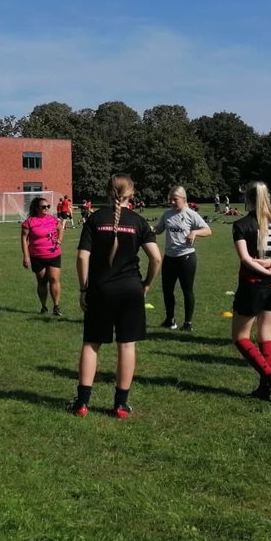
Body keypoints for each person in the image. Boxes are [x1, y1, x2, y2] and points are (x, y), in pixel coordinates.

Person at [70, 173, 161, 418]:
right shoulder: (138, 221)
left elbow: (81, 257)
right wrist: (146, 284)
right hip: (131, 289)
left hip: (100, 289)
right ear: (130, 193)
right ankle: (120, 405)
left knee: (91, 344)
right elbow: (156, 257)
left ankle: (82, 403)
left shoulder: (95, 218)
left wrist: (83, 288)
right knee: (127, 345)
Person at [230, 182, 271, 403]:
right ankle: (265, 389)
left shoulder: (241, 224)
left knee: (240, 337)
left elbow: (245, 259)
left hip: (253, 285)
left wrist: (263, 268)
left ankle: (269, 375)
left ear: (247, 199)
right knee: (266, 335)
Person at [153, 185, 211, 332]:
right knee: (167, 290)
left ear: (184, 199)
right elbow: (159, 229)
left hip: (186, 258)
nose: (172, 202)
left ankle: (188, 322)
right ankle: (170, 320)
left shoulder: (191, 214)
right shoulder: (167, 214)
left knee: (187, 290)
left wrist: (195, 233)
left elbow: (208, 230)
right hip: (169, 258)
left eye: (175, 199)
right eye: (170, 199)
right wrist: (151, 229)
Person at [21, 197, 64, 317]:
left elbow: (60, 228)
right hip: (37, 256)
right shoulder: (29, 222)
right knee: (42, 281)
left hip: (54, 254)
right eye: (43, 207)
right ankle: (44, 306)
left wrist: (59, 240)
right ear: (36, 208)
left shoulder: (53, 219)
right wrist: (26, 256)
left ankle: (56, 306)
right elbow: (24, 239)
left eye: (48, 207)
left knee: (54, 279)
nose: (46, 209)